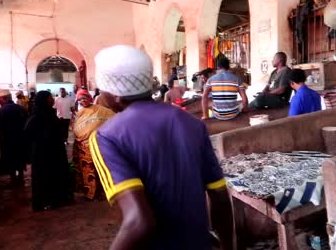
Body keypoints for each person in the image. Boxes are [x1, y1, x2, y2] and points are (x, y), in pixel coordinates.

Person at [89, 45, 234, 250]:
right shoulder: (191, 123)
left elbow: (139, 221)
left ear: (114, 94)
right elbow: (219, 196)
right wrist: (227, 246)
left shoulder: (107, 136)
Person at [24, 91, 74, 211]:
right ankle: (45, 201)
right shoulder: (36, 117)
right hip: (42, 154)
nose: (52, 99)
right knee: (44, 176)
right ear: (44, 100)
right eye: (50, 98)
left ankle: (57, 199)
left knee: (55, 175)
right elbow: (27, 134)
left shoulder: (50, 114)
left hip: (55, 152)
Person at [73, 89, 114, 201]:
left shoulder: (101, 110)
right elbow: (75, 128)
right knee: (87, 172)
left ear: (89, 98)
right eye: (80, 99)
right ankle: (90, 194)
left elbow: (114, 118)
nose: (83, 101)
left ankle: (101, 191)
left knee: (99, 169)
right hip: (83, 147)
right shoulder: (79, 113)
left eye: (84, 98)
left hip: (98, 146)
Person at [0, 90, 28, 186]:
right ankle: (21, 179)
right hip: (21, 140)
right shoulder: (21, 108)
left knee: (11, 160)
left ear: (4, 99)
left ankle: (13, 180)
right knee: (20, 159)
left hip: (8, 141)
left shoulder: (3, 109)